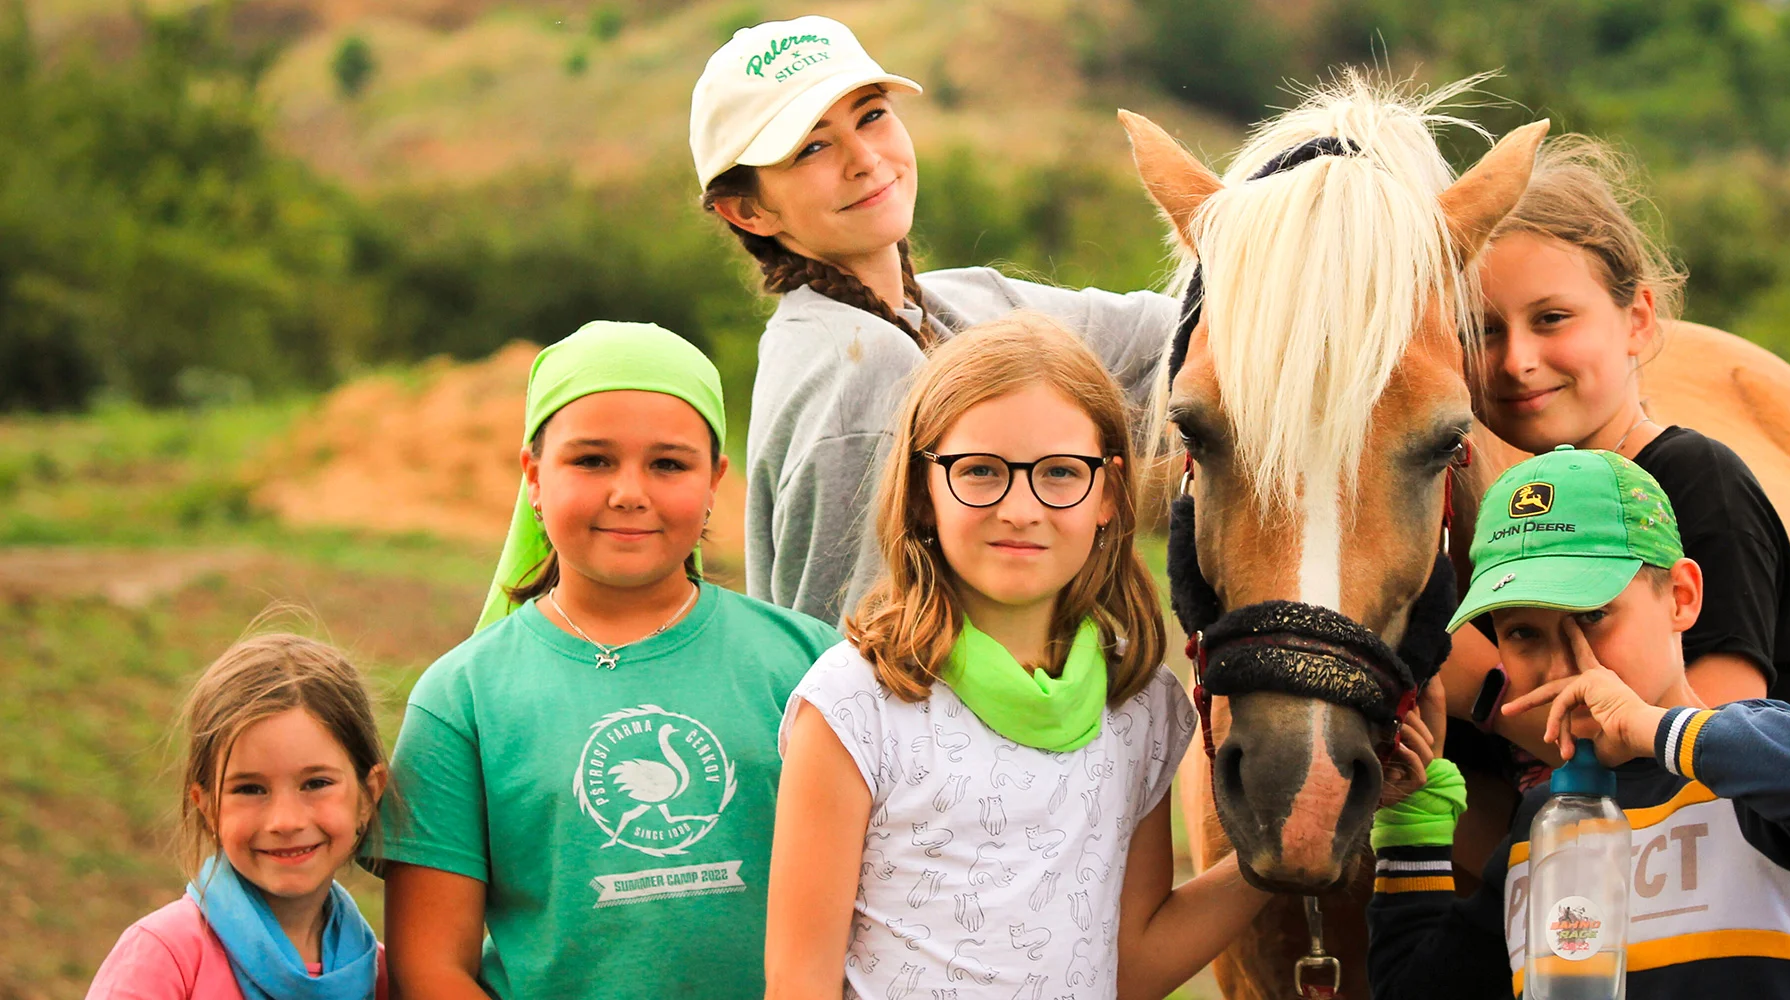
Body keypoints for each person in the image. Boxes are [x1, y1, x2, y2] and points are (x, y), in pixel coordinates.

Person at [763, 316, 1267, 1000]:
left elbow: (1130, 965)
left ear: (1110, 493)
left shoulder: (1140, 704)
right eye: (980, 472)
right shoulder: (855, 701)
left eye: (1060, 473)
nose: (1020, 508)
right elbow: (800, 985)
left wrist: (1275, 855)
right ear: (921, 489)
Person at [376, 321, 841, 1000]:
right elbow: (431, 969)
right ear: (534, 477)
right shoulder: (462, 698)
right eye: (592, 460)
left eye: (668, 464)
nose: (630, 492)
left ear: (715, 480)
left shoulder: (810, 664)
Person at [691, 15, 1175, 625]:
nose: (864, 159)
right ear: (749, 210)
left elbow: (1185, 333)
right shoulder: (859, 371)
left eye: (870, 115)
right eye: (812, 147)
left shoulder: (960, 307)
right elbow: (851, 663)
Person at [1368, 446, 1790, 999]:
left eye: (1591, 616)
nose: (1562, 661)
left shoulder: (1750, 778)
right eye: (1522, 633)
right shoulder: (1540, 824)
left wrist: (1653, 726)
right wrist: (1412, 828)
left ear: (1682, 599)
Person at [1445, 136, 1790, 757]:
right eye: (1480, 330)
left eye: (1552, 318)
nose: (1517, 361)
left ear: (1638, 320)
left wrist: (1474, 686)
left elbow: (1718, 752)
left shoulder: (1697, 481)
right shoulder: (1513, 512)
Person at [86, 632, 390, 1000]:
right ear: (207, 807)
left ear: (367, 795)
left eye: (316, 783)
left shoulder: (383, 976)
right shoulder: (165, 958)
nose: (285, 821)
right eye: (250, 789)